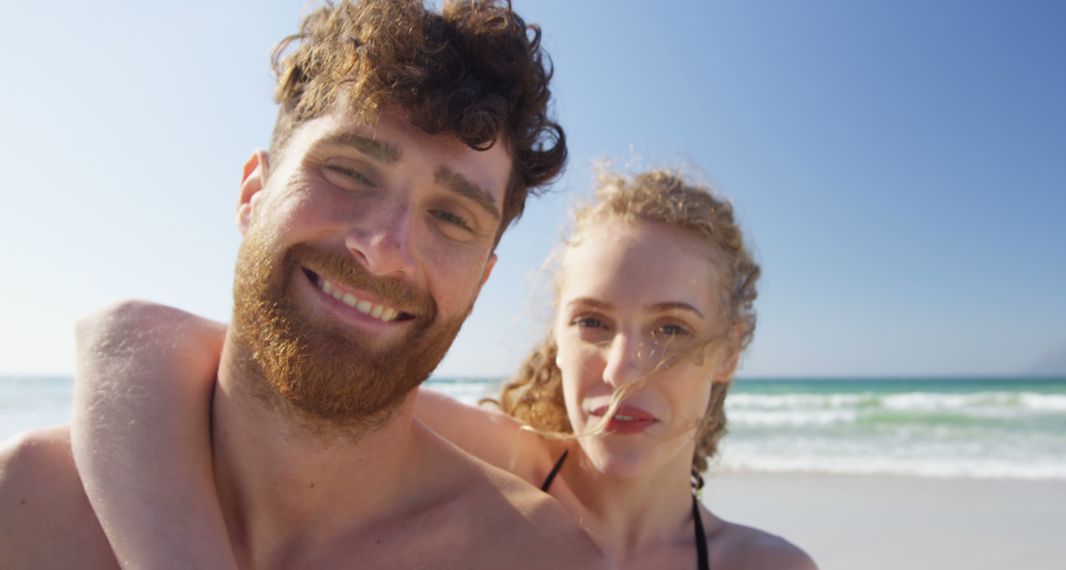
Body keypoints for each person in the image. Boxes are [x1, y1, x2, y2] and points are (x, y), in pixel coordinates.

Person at [0, 2, 611, 569]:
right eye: (349, 171)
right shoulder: (27, 505)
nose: (384, 252)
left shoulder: (536, 557)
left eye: (452, 217)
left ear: (482, 280)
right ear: (252, 194)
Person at [66, 169, 817, 569]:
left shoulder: (766, 567)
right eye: (592, 322)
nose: (622, 367)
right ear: (555, 336)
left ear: (729, 351)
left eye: (671, 330)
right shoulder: (495, 464)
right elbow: (129, 335)